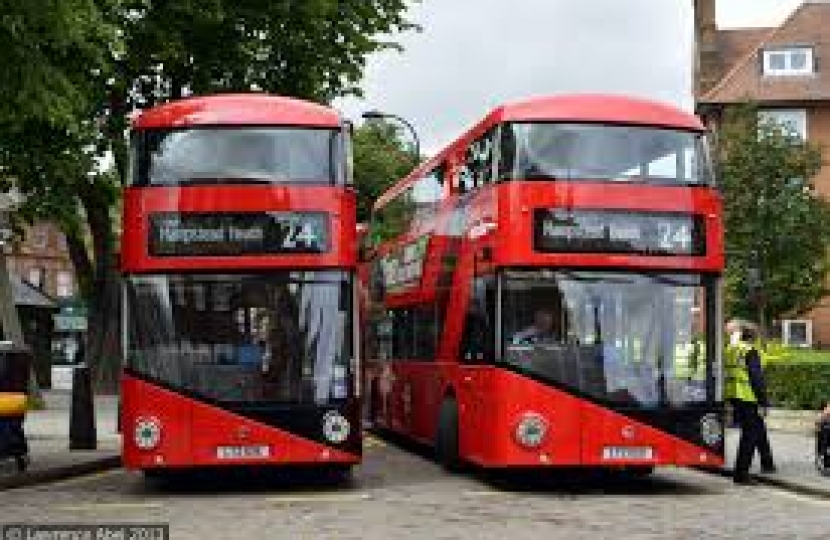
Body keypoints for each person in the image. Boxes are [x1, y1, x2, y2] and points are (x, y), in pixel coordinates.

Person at [725, 321, 776, 484]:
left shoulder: (731, 349)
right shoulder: (750, 350)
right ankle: (741, 474)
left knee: (757, 427)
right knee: (750, 434)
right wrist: (764, 402)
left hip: (734, 395)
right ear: (752, 337)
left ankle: (767, 463)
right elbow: (756, 378)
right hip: (748, 397)